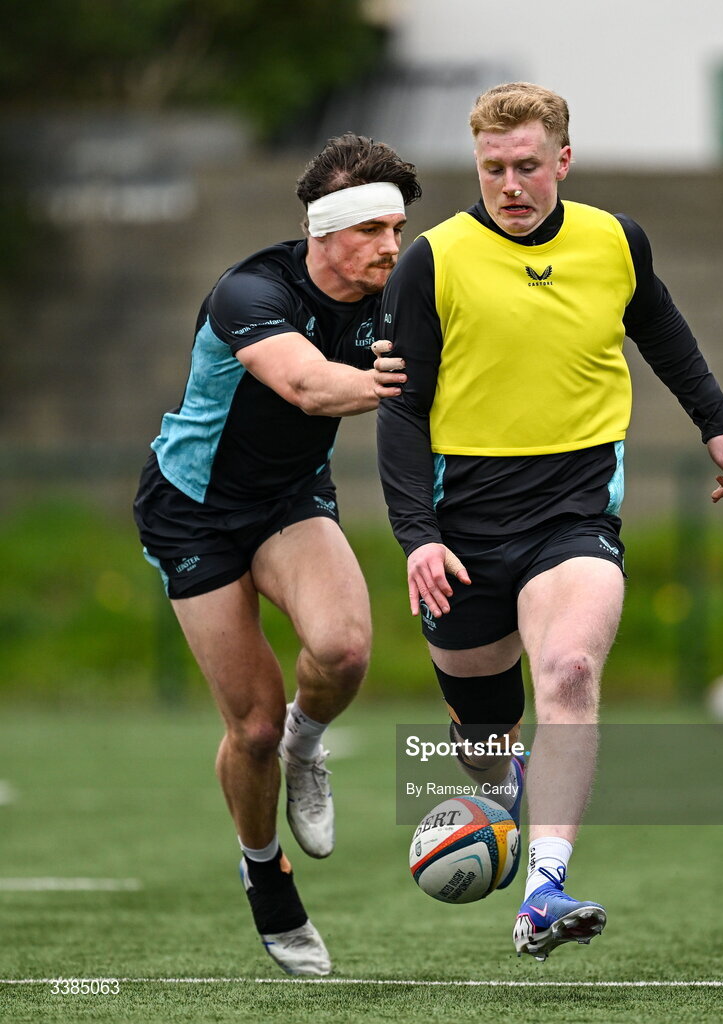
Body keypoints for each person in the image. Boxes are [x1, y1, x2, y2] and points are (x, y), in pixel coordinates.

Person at [374, 83, 723, 961]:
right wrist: (417, 535)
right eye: (493, 169)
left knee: (572, 670)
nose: (510, 185)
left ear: (563, 162)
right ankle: (506, 788)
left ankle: (543, 889)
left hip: (573, 511)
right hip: (462, 524)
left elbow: (659, 326)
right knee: (478, 733)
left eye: (527, 167)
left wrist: (715, 420)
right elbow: (398, 411)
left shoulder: (614, 240)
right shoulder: (431, 260)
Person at [133, 133, 420, 977]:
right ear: (323, 230)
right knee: (250, 723)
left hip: (289, 501)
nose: (389, 245)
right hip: (193, 511)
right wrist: (409, 386)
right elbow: (304, 384)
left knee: (343, 650)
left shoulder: (399, 294)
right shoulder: (251, 290)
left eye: (396, 228)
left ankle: (309, 747)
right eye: (371, 229)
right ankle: (265, 877)